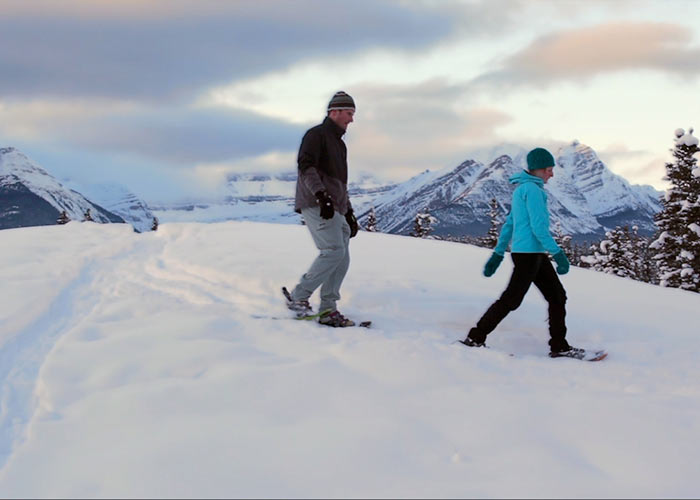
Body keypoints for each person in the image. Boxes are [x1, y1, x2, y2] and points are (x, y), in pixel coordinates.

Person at [460, 147, 583, 358]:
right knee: (512, 300)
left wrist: (498, 254)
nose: (551, 174)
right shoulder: (534, 191)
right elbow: (538, 228)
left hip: (530, 253)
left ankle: (559, 346)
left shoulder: (521, 190)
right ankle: (475, 338)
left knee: (557, 296)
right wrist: (559, 254)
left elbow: (509, 224)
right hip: (530, 255)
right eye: (549, 169)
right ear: (538, 170)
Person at [284, 91, 359, 327]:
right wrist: (321, 196)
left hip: (334, 206)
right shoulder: (316, 135)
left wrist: (348, 211)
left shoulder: (339, 144)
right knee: (333, 250)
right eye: (349, 113)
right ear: (334, 112)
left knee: (342, 256)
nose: (351, 119)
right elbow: (306, 167)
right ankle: (298, 297)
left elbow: (340, 183)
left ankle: (328, 309)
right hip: (317, 202)